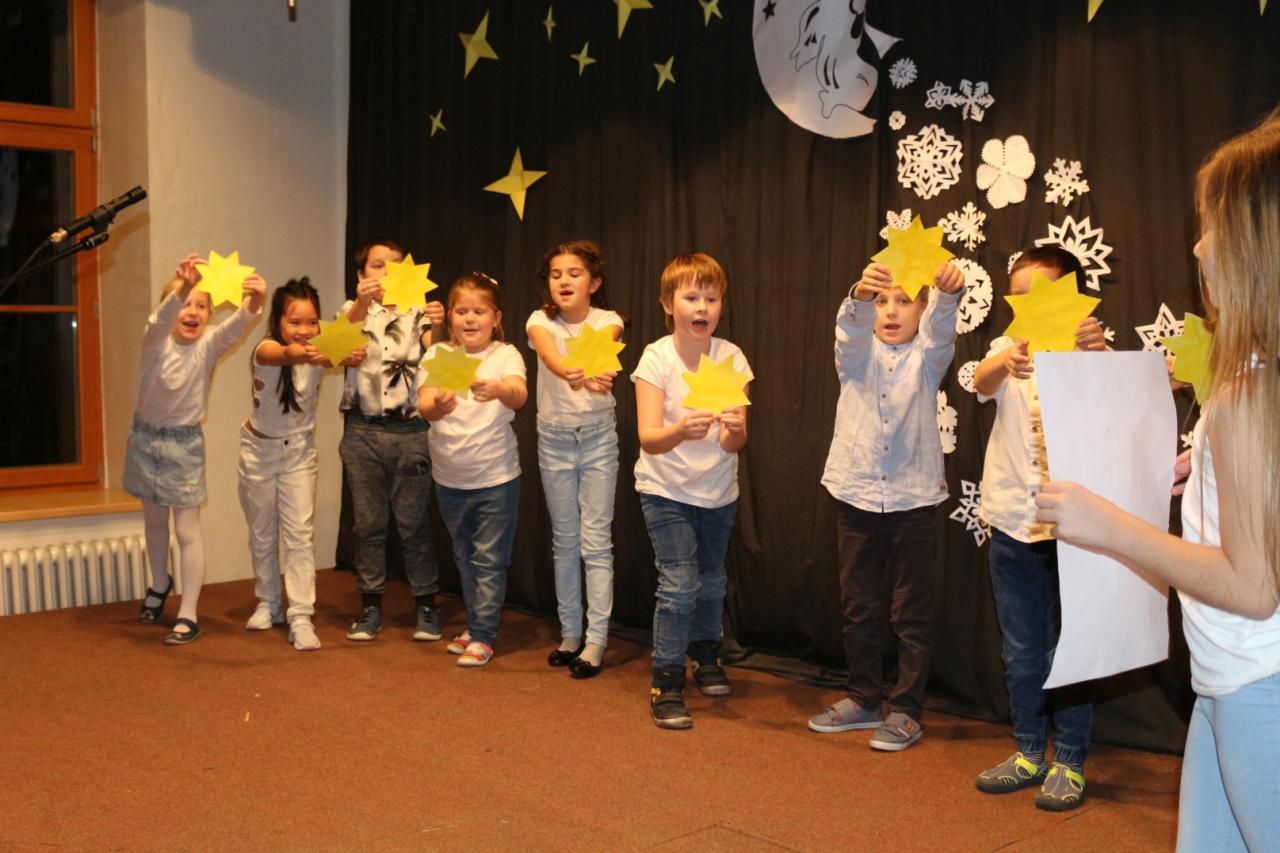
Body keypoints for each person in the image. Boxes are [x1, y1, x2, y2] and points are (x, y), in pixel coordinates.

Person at [1034, 112, 1280, 850]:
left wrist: (1110, 527)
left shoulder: (1247, 392)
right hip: (1230, 684)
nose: (1197, 247)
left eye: (1211, 227)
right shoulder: (1254, 379)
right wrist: (1208, 472)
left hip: (1256, 685)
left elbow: (1253, 586)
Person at [971, 245, 1107, 810]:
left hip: (1074, 527)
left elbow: (1120, 407)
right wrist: (1008, 359)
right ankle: (1028, 751)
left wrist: (1096, 355)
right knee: (1022, 649)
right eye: (1019, 296)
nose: (1027, 305)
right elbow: (979, 383)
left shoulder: (1090, 351)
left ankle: (1069, 759)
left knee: (1072, 647)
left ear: (1074, 297)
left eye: (1042, 294)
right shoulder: (1007, 350)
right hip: (1012, 521)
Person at [810, 259, 965, 750]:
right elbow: (849, 332)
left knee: (910, 611)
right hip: (856, 494)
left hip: (913, 499)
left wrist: (947, 295)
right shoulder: (856, 356)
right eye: (882, 302)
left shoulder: (928, 359)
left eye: (904, 301)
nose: (892, 312)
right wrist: (860, 295)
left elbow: (942, 332)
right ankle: (863, 697)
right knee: (859, 606)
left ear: (921, 309)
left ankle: (906, 709)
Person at [632, 252, 751, 729]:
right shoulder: (656, 358)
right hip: (664, 490)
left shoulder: (732, 358)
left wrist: (734, 429)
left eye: (712, 298)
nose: (702, 307)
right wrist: (680, 430)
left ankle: (706, 655)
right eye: (691, 297)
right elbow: (648, 437)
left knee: (711, 579)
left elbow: (735, 442)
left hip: (717, 493)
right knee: (679, 583)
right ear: (668, 304)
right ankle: (666, 679)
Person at [124, 253, 265, 644]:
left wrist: (254, 300)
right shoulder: (155, 342)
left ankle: (188, 613)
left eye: (202, 306)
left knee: (186, 530)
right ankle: (159, 584)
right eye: (185, 303)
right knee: (154, 522)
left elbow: (236, 327)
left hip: (183, 446)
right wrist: (185, 285)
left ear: (209, 316)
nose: (193, 311)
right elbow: (158, 321)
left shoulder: (207, 345)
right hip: (144, 439)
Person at [239, 278, 366, 651]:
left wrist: (358, 312)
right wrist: (322, 353)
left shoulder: (318, 350)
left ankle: (300, 615)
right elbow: (284, 355)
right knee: (262, 532)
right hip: (258, 452)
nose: (305, 330)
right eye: (295, 322)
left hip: (298, 453)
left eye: (312, 322)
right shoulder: (266, 349)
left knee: (298, 534)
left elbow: (346, 329)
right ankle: (268, 602)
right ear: (277, 321)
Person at [418, 273, 528, 667]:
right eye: (461, 311)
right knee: (464, 556)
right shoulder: (437, 355)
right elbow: (425, 406)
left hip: (496, 477)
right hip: (449, 477)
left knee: (489, 560)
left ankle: (482, 635)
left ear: (495, 318)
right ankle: (476, 624)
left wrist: (498, 389)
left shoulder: (505, 355)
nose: (469, 319)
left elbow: (519, 395)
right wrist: (438, 406)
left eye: (479, 311)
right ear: (449, 316)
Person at [526, 240, 624, 679]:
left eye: (574, 273)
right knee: (564, 540)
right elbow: (547, 351)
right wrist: (568, 370)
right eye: (556, 274)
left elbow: (604, 346)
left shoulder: (608, 321)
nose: (564, 281)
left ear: (594, 283)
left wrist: (598, 372)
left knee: (596, 542)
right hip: (553, 440)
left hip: (598, 438)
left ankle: (596, 639)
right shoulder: (539, 320)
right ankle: (570, 633)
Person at [339, 240, 444, 643]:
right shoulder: (351, 312)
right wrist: (360, 305)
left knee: (414, 523)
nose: (386, 273)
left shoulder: (421, 313)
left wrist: (440, 324)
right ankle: (370, 606)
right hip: (362, 430)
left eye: (395, 265)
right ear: (361, 274)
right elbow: (331, 350)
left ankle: (427, 606)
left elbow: (439, 355)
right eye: (377, 266)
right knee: (368, 524)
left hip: (411, 432)